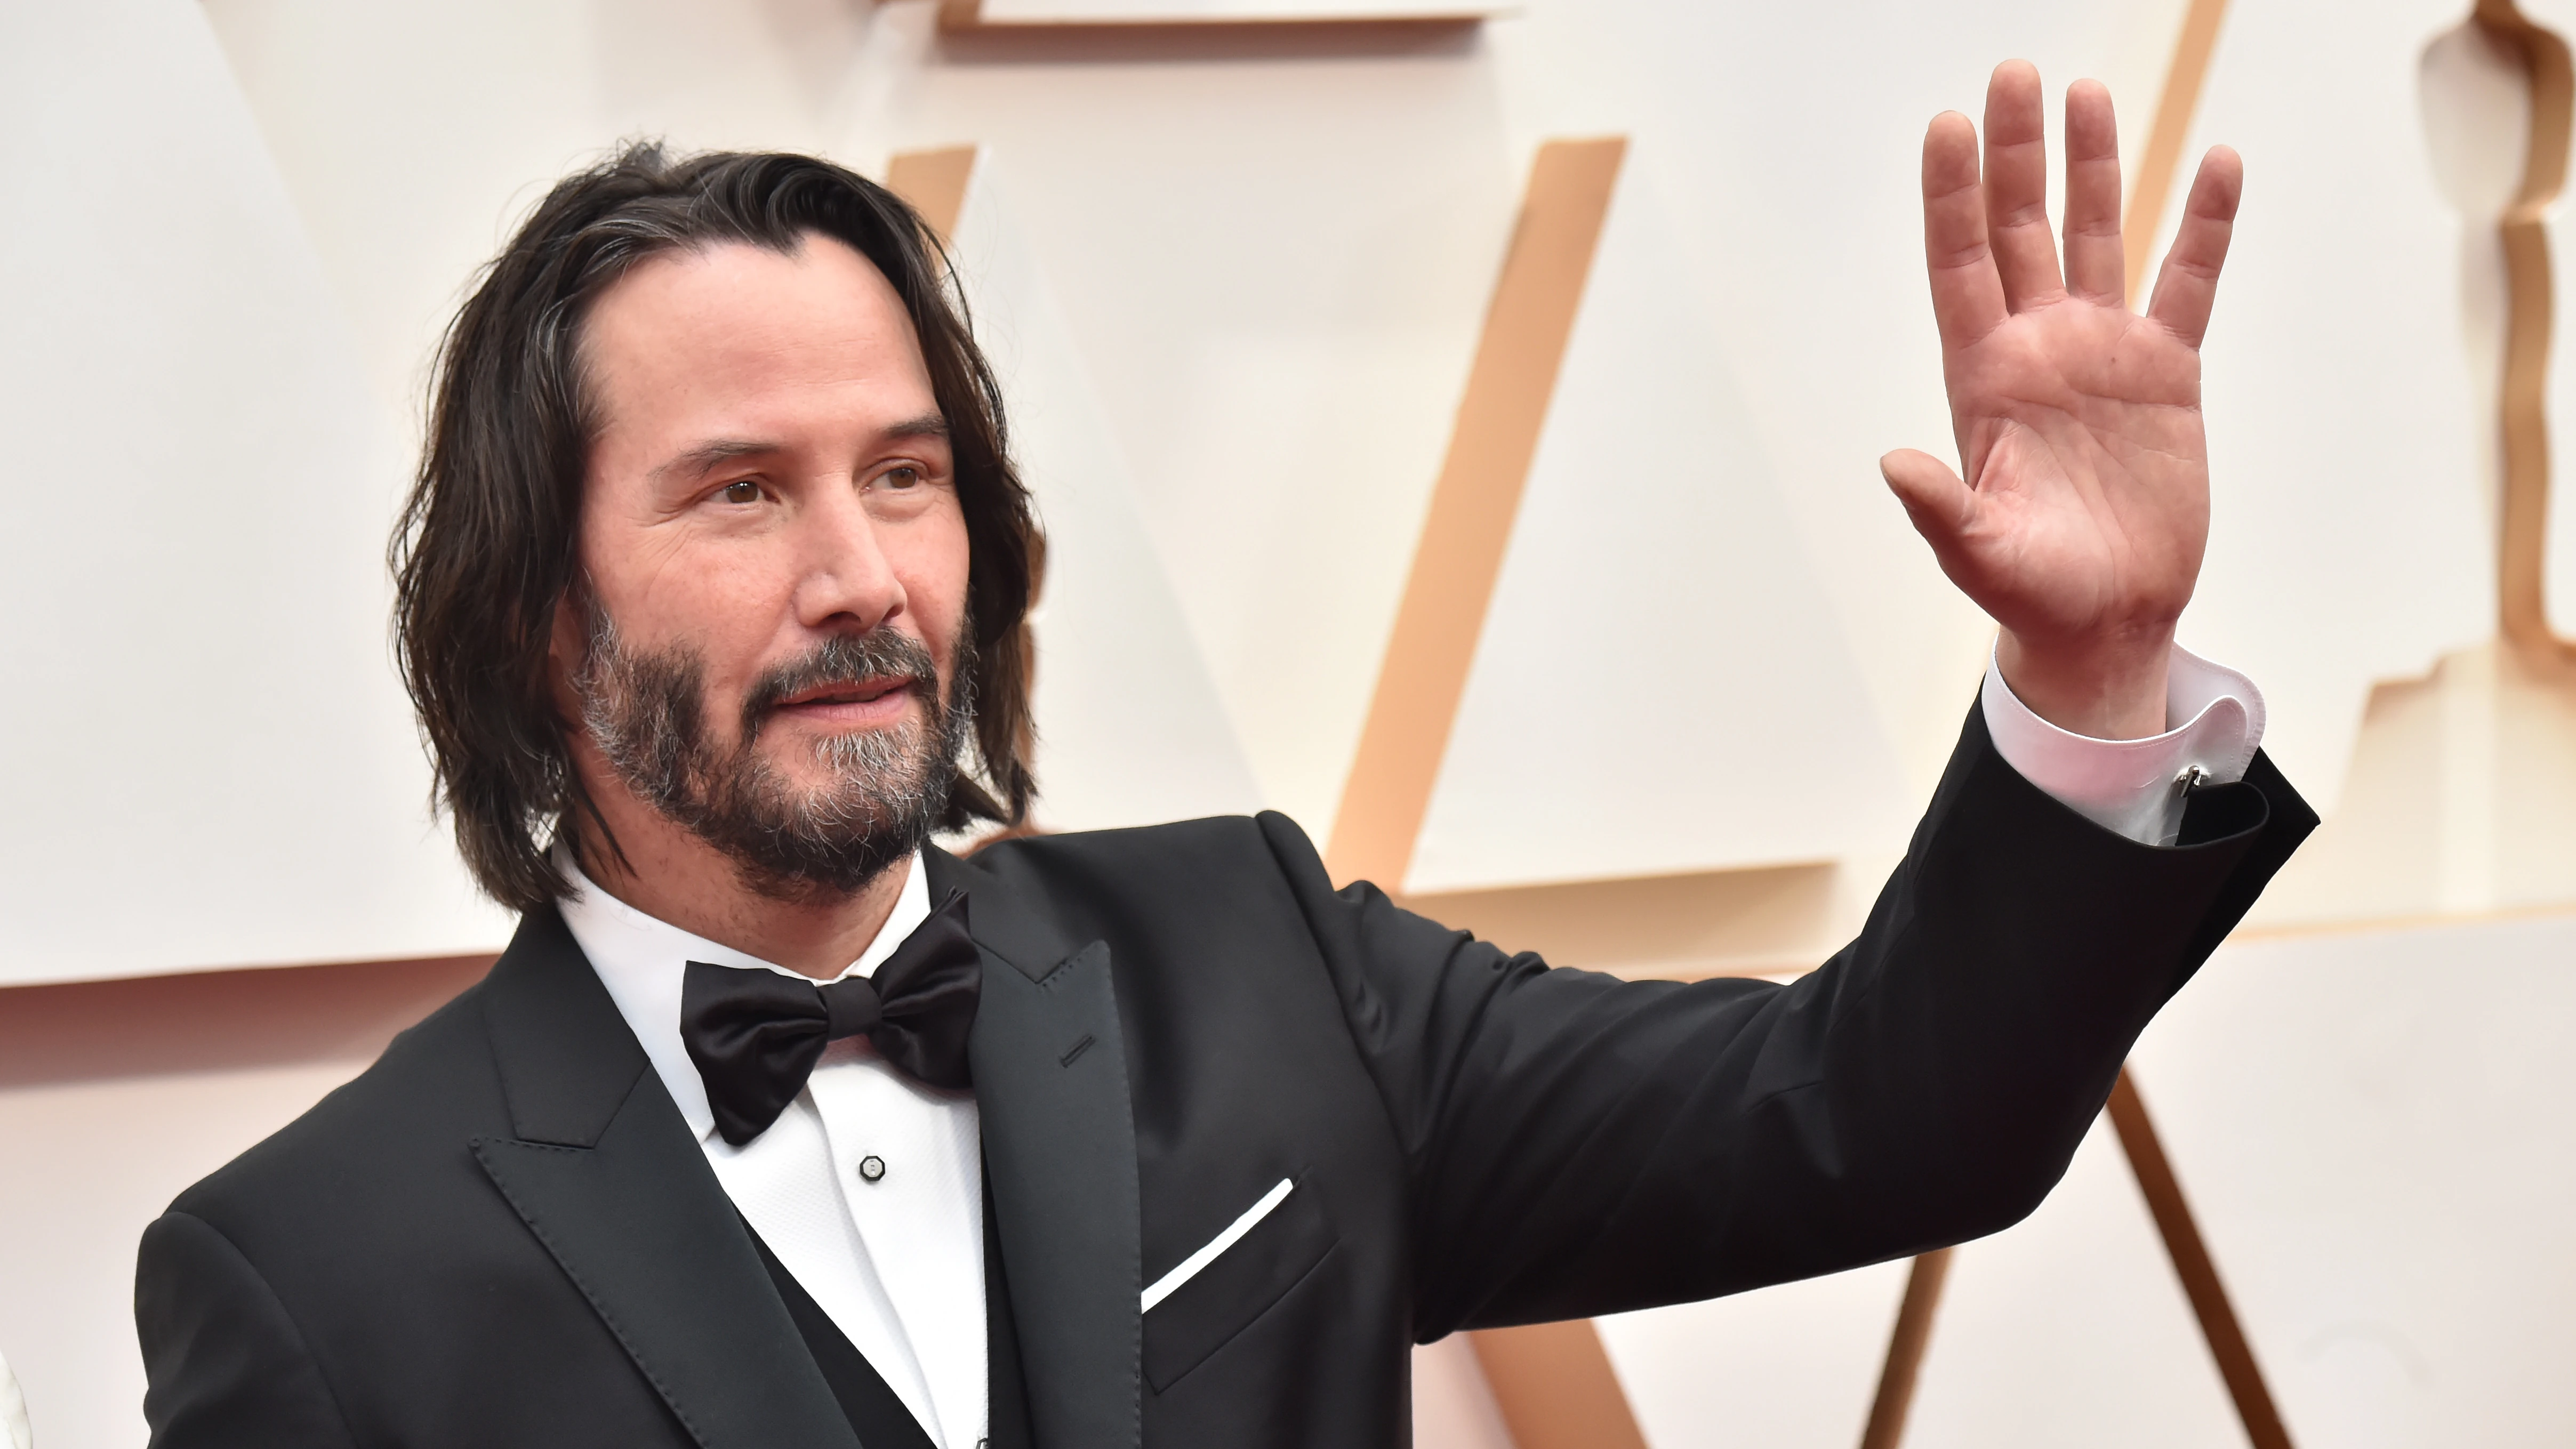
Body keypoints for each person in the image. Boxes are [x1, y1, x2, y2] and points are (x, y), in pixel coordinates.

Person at [134, 62, 2310, 1448]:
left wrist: (2089, 664)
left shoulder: (1262, 961)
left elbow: (1878, 1114)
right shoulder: (313, 1277)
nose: (860, 575)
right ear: (540, 609)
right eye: (738, 492)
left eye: (904, 474)